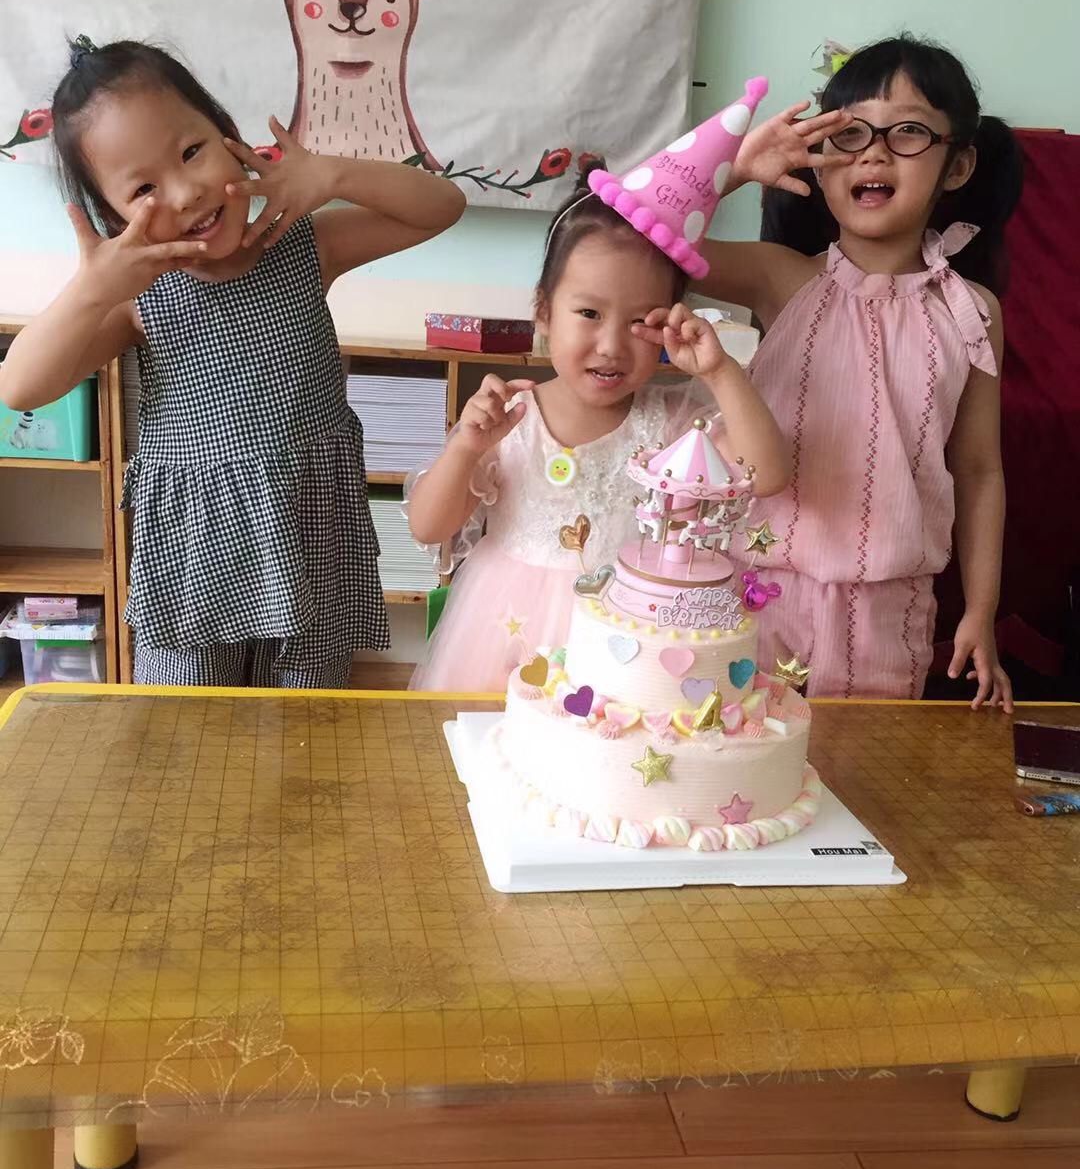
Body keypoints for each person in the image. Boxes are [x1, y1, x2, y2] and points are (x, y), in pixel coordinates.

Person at [0, 38, 465, 687]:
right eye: (144, 188)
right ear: (113, 216)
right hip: (195, 552)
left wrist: (331, 175)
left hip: (307, 534)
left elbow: (442, 206)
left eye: (192, 151)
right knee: (186, 726)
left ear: (230, 137)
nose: (186, 191)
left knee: (307, 720)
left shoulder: (299, 243)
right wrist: (91, 289)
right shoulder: (139, 296)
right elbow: (19, 386)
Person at [705, 35, 1023, 708]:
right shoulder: (780, 278)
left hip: (890, 615)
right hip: (757, 595)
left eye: (907, 131)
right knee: (743, 758)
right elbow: (633, 240)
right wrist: (736, 167)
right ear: (818, 162)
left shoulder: (973, 312)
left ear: (959, 164)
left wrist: (981, 612)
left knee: (865, 768)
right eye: (849, 134)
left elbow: (978, 470)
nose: (873, 152)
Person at [407, 174, 789, 691]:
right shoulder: (508, 419)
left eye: (638, 321)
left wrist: (720, 371)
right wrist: (465, 449)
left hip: (627, 645)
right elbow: (429, 527)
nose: (610, 345)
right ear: (543, 311)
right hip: (503, 636)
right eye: (589, 313)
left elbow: (766, 475)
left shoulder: (675, 423)